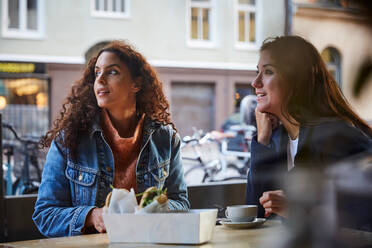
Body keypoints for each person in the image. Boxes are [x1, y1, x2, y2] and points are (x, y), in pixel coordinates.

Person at [32, 40, 190, 237]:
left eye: (112, 72)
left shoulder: (165, 139)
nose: (100, 80)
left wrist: (154, 209)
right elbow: (45, 215)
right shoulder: (69, 139)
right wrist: (93, 216)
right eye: (97, 72)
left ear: (136, 83)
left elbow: (181, 203)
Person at [245, 36, 372, 220]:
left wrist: (297, 210)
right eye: (257, 72)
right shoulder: (278, 138)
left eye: (268, 72)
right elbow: (257, 215)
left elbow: (361, 221)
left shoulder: (337, 137)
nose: (255, 83)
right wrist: (262, 139)